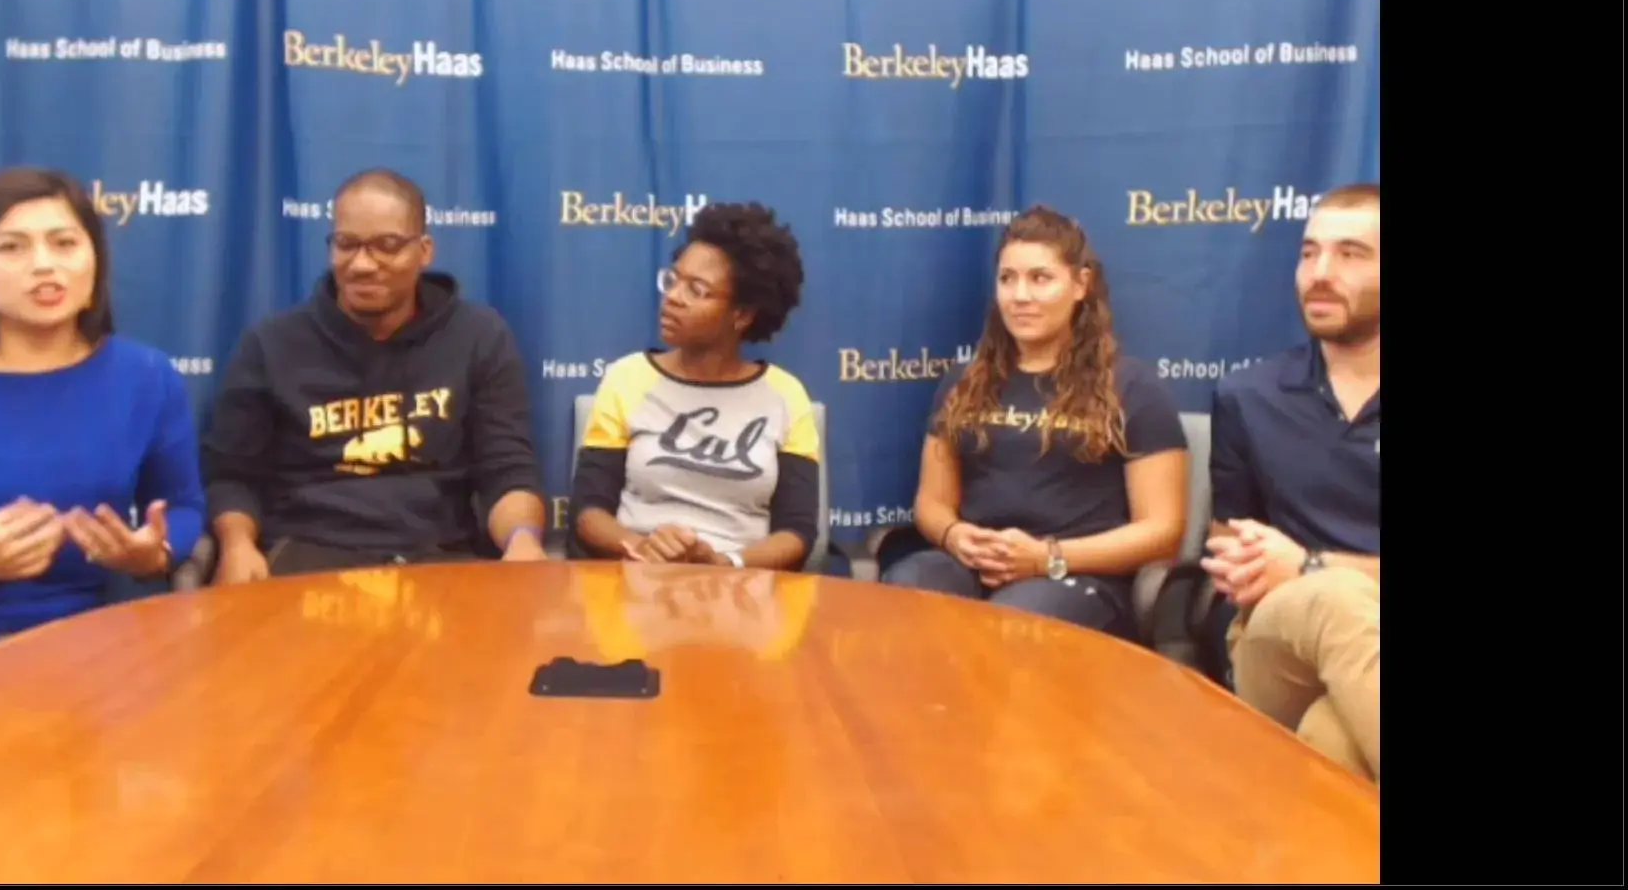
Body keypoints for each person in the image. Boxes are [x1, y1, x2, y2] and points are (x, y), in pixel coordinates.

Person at [200, 168, 547, 580]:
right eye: (346, 244)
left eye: (387, 246)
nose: (363, 264)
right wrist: (237, 545)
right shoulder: (271, 343)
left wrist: (523, 539)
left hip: (438, 558)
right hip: (305, 560)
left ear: (425, 250)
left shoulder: (479, 336)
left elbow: (506, 471)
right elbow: (233, 477)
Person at [882, 206, 1188, 640]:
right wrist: (954, 536)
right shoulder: (963, 383)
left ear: (1081, 284)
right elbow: (931, 503)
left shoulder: (1134, 389)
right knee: (905, 595)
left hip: (1077, 576)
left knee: (1012, 626)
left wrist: (1048, 557)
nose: (1019, 295)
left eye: (1040, 278)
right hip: (972, 567)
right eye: (1007, 279)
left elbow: (1163, 532)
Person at [0, 168, 206, 657]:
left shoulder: (145, 376)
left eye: (65, 243)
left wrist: (151, 552)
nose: (44, 265)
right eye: (12, 247)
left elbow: (184, 506)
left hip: (106, 635)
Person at [1200, 182, 1380, 783]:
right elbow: (1230, 548)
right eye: (1309, 252)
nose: (1320, 273)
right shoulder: (1249, 395)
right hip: (1275, 637)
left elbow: (1313, 570)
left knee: (1333, 738)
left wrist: (1311, 563)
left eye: (1351, 254)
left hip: (1351, 648)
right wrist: (1287, 575)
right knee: (1334, 600)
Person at [570, 202, 820, 570]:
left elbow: (796, 533)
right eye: (673, 280)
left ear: (743, 314)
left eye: (697, 290)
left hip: (742, 592)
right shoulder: (628, 378)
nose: (673, 297)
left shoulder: (785, 395)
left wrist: (725, 562)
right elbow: (588, 511)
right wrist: (643, 547)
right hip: (636, 580)